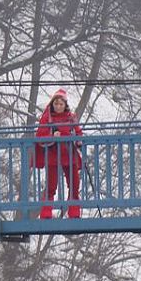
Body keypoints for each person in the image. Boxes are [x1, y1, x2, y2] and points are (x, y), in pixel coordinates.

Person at [35, 89, 84, 218]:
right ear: (52, 104)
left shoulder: (71, 117)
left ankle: (74, 211)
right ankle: (46, 212)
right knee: (51, 185)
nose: (58, 106)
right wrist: (51, 135)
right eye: (56, 104)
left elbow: (79, 133)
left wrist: (78, 141)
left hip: (69, 154)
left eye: (61, 104)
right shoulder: (47, 117)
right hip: (53, 155)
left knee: (74, 184)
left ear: (65, 105)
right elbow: (39, 135)